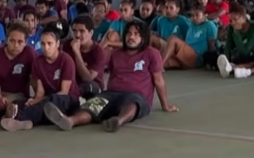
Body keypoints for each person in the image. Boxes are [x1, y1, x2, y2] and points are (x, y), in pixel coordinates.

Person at [43, 21, 178, 133]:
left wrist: (165, 105)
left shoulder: (151, 53)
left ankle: (118, 121)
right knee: (92, 105)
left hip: (137, 95)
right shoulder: (115, 53)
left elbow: (158, 80)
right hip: (111, 93)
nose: (132, 37)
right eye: (129, 34)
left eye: (136, 34)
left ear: (143, 38)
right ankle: (69, 121)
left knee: (132, 104)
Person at [0, 24, 79, 131]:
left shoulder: (66, 60)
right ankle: (25, 120)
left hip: (66, 100)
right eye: (43, 44)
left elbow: (64, 91)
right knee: (20, 103)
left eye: (49, 43)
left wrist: (40, 100)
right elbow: (40, 92)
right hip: (46, 100)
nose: (45, 48)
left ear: (58, 44)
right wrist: (34, 101)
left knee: (52, 100)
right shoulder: (38, 62)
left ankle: (20, 118)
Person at [161, 3, 218, 69]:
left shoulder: (209, 25)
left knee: (173, 38)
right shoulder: (192, 24)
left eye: (197, 15)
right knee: (166, 61)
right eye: (192, 15)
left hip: (198, 56)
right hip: (186, 55)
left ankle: (160, 66)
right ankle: (160, 64)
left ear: (205, 16)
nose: (194, 17)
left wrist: (210, 61)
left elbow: (212, 46)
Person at [216, 3, 254, 77]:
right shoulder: (231, 27)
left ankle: (231, 68)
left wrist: (236, 33)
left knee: (251, 60)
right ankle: (228, 66)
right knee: (213, 55)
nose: (233, 23)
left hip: (253, 54)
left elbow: (245, 51)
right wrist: (226, 59)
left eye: (235, 19)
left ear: (243, 18)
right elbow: (228, 46)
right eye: (230, 20)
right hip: (238, 54)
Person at [0, 22, 35, 103]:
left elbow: (35, 78)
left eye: (20, 42)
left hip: (20, 95)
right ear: (6, 40)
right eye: (12, 41)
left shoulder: (30, 53)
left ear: (26, 42)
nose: (16, 45)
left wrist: (36, 99)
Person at [63, 15, 107, 97]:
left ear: (91, 33)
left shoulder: (98, 52)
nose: (77, 35)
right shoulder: (67, 45)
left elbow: (87, 78)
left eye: (82, 31)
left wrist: (76, 51)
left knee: (87, 86)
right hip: (71, 83)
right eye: (74, 31)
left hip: (93, 87)